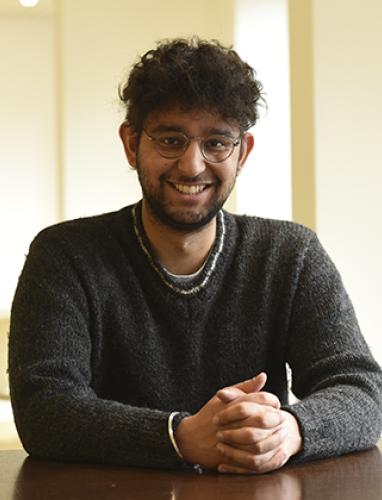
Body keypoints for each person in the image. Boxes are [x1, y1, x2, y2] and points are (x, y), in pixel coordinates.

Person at [9, 37, 382, 474]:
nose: (192, 166)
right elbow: (44, 409)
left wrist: (291, 429)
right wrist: (180, 437)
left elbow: (361, 390)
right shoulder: (65, 255)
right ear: (132, 144)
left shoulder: (290, 254)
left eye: (217, 143)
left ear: (243, 153)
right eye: (170, 140)